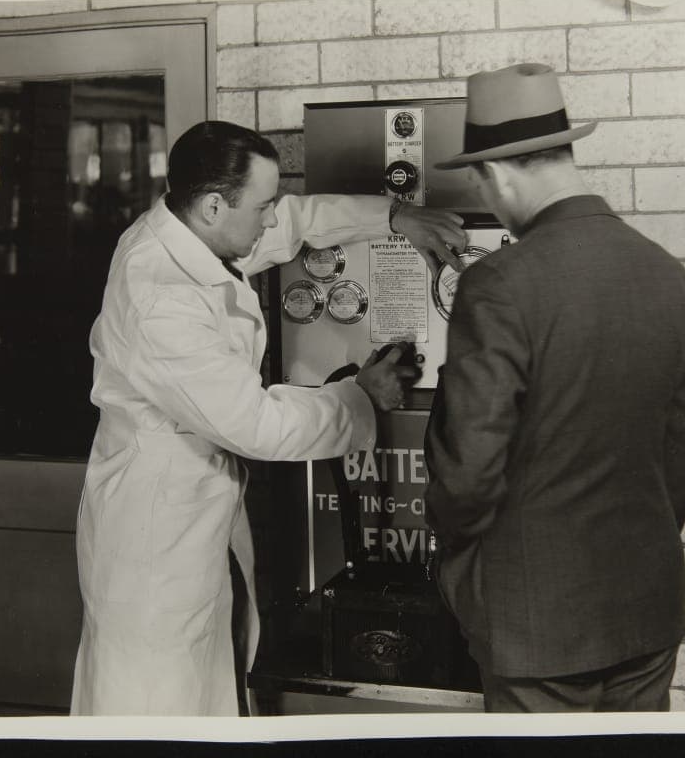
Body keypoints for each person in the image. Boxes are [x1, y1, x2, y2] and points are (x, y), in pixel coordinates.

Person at [70, 120, 466, 716]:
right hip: (154, 538)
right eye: (261, 207)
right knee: (153, 708)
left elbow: (294, 222)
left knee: (204, 681)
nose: (269, 220)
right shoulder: (159, 297)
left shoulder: (188, 232)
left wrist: (392, 216)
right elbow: (254, 422)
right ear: (211, 206)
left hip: (190, 512)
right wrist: (361, 396)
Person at [424, 64, 685, 713]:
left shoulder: (498, 285)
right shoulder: (670, 278)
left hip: (535, 624)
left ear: (494, 173)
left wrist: (459, 569)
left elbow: (469, 476)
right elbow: (682, 456)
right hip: (645, 610)